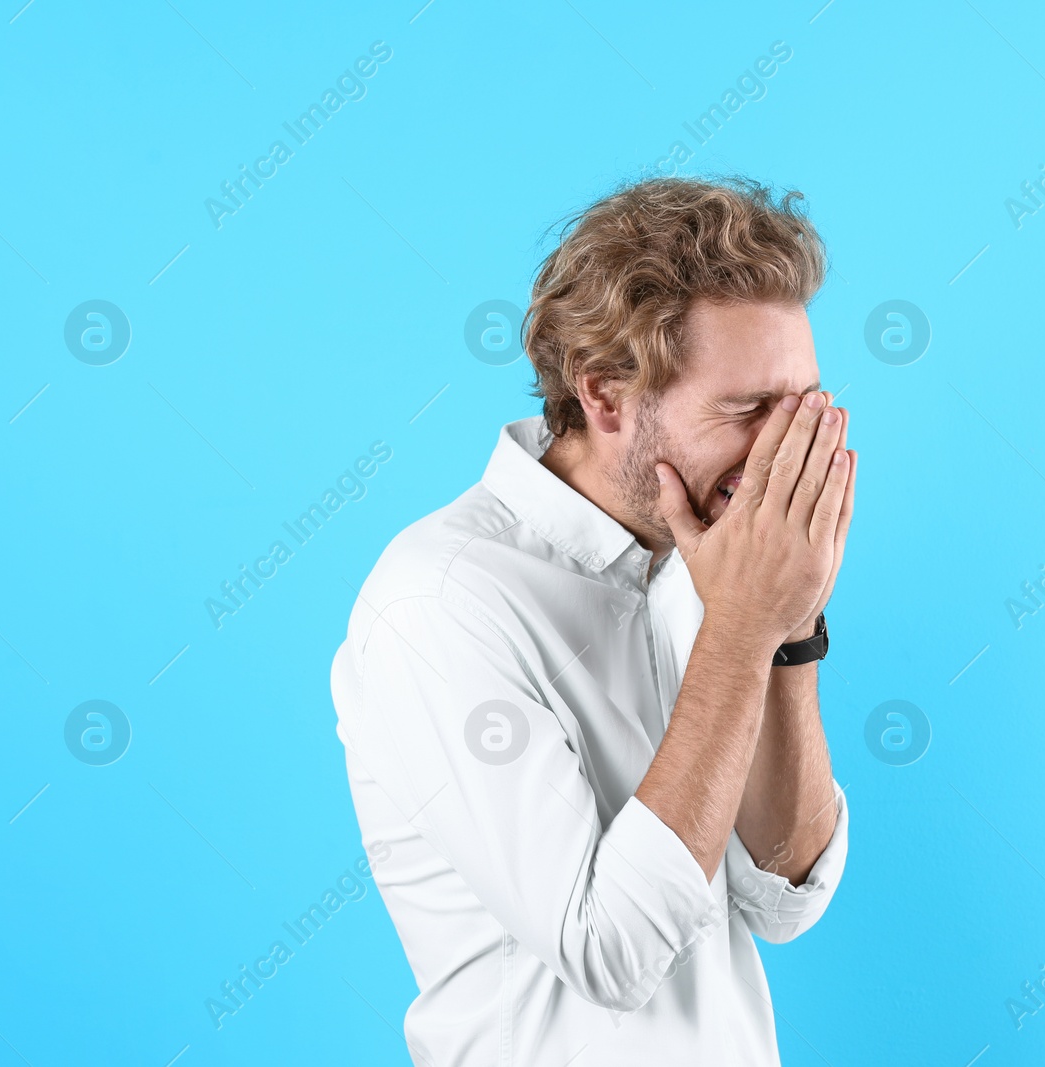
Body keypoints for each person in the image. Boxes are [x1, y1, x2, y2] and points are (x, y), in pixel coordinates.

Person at [330, 176, 858, 1066]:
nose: (783, 452)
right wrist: (740, 629)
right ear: (606, 394)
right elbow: (609, 951)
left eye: (802, 404)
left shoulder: (711, 559)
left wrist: (791, 628)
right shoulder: (439, 601)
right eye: (747, 411)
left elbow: (784, 897)